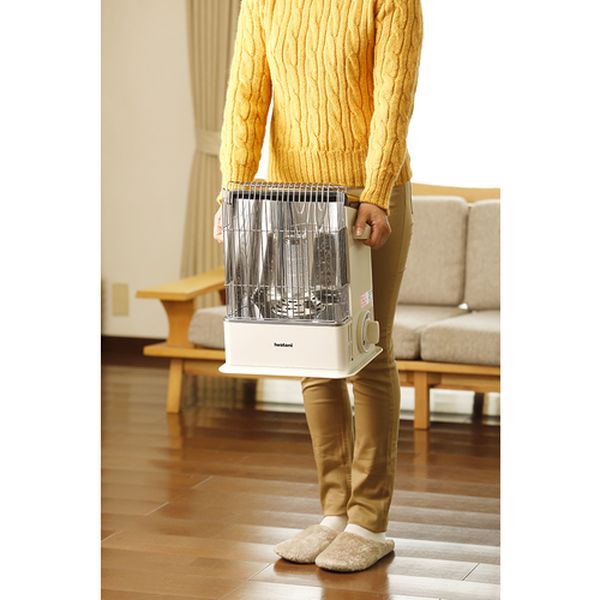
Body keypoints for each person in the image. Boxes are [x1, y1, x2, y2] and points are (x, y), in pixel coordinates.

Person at [213, 0, 423, 572]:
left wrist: (377, 191)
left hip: (367, 196)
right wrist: (234, 189)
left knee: (368, 350)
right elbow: (246, 95)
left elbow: (394, 99)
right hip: (292, 198)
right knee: (313, 354)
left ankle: (368, 520)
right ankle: (334, 512)